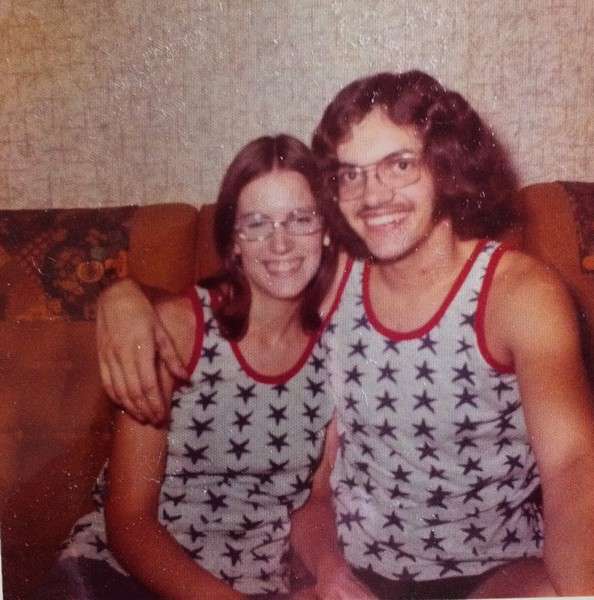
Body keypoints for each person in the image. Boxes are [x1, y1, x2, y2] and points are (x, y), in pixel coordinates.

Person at [96, 71, 594, 599]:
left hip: (495, 571)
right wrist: (124, 296)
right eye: (352, 174)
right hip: (357, 573)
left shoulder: (520, 294)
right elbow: (228, 299)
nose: (373, 195)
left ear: (445, 166)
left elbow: (573, 464)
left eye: (399, 165)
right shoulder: (337, 279)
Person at [46, 134, 345, 599]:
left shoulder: (337, 352)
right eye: (257, 223)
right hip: (125, 578)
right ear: (234, 242)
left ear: (325, 230)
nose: (281, 242)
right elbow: (129, 521)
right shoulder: (176, 330)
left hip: (256, 586)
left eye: (300, 219)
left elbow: (314, 502)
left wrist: (330, 573)